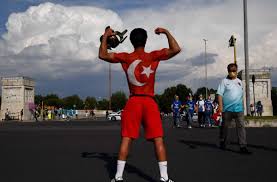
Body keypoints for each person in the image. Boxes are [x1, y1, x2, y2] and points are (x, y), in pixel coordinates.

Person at [99, 26, 180, 182]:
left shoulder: (126, 57)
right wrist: (166, 32)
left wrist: (106, 36)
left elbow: (102, 54)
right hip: (149, 102)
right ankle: (164, 178)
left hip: (133, 102)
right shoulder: (153, 56)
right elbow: (176, 49)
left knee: (126, 138)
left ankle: (118, 177)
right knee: (158, 140)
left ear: (130, 41)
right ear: (146, 40)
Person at [217, 63, 251, 154]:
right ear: (228, 71)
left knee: (241, 127)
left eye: (234, 71)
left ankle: (243, 146)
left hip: (239, 110)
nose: (232, 72)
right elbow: (219, 94)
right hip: (227, 110)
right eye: (230, 71)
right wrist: (220, 106)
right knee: (225, 127)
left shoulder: (240, 81)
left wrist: (243, 106)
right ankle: (223, 141)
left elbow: (241, 95)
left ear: (236, 71)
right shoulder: (224, 81)